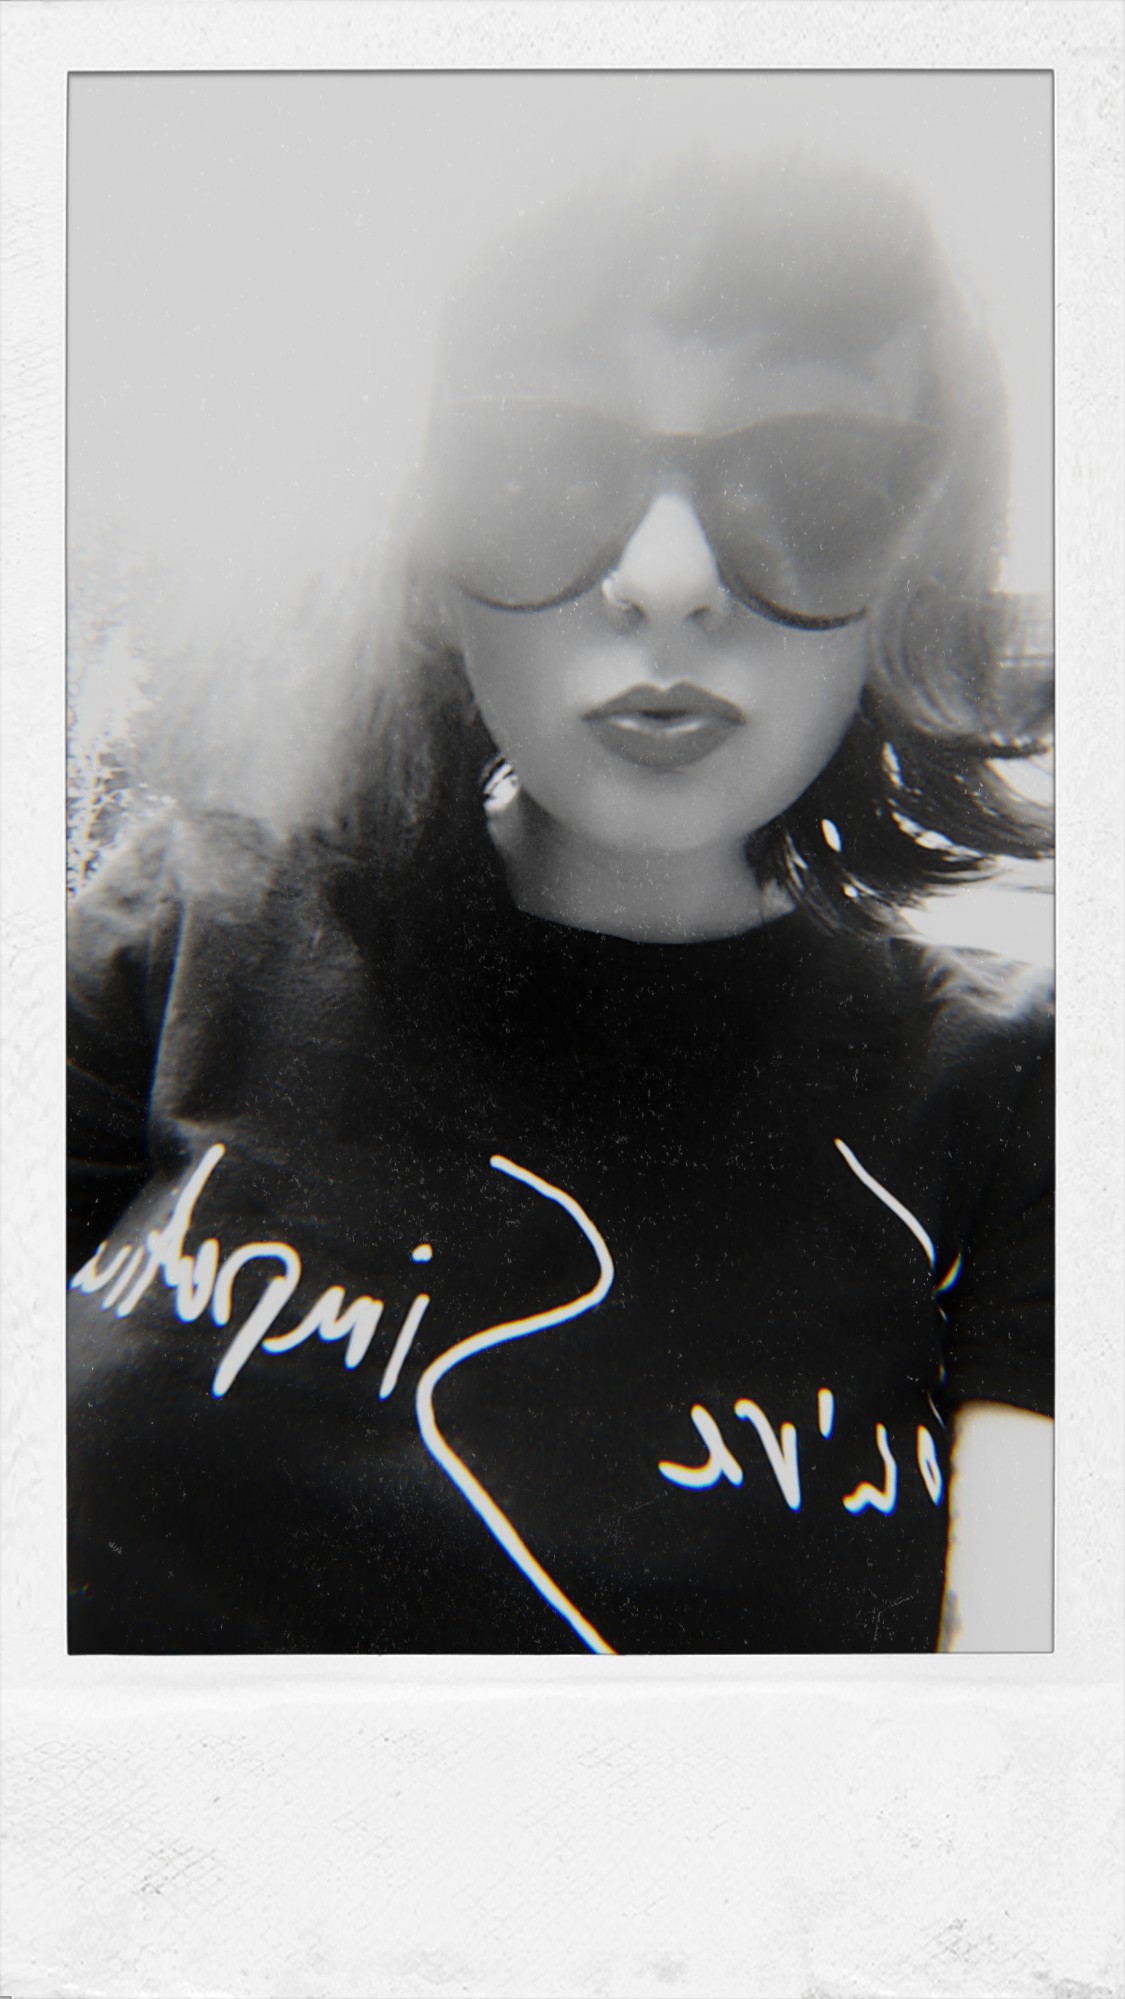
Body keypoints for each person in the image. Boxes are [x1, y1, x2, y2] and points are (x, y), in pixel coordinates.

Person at [66, 155, 1054, 1655]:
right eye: (537, 460)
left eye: (813, 478)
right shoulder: (186, 929)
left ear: (922, 554)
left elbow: (1028, 1718)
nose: (667, 578)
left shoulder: (1021, 1097)